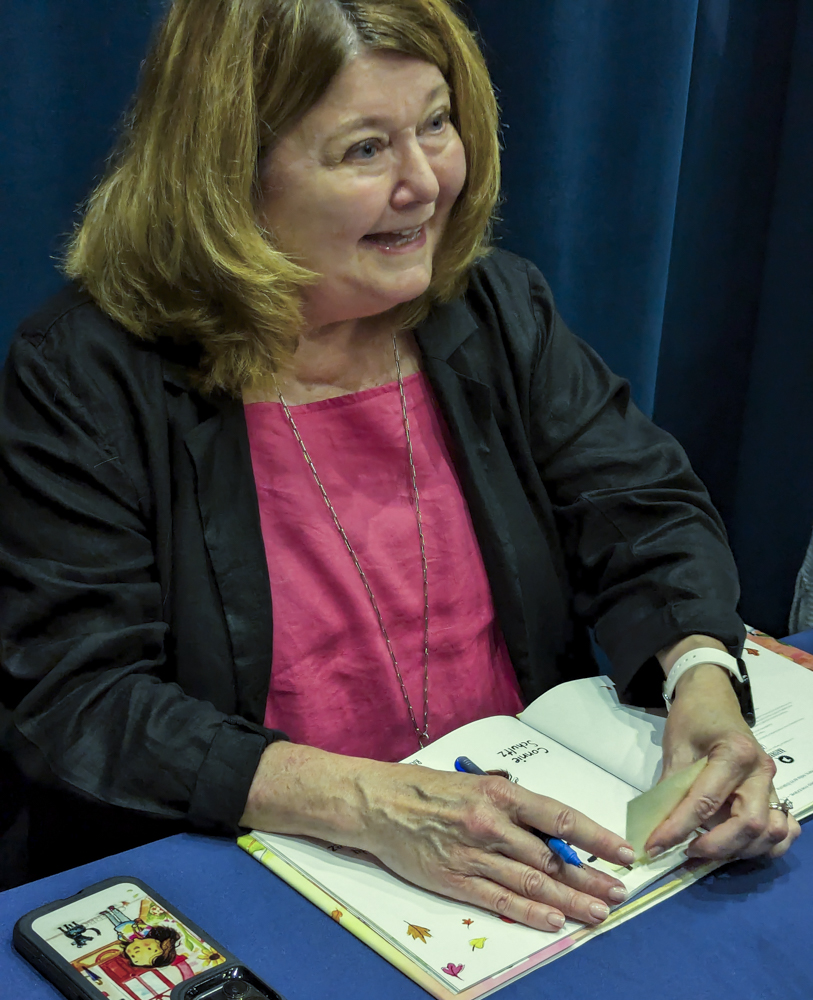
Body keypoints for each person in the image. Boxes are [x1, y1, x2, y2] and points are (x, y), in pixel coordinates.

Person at [0, 0, 799, 922]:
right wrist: (375, 806)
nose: (426, 182)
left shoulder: (492, 306)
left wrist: (702, 676)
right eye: (364, 150)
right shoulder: (84, 373)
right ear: (226, 175)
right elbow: (77, 699)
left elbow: (640, 504)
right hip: (250, 873)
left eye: (434, 123)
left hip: (509, 855)